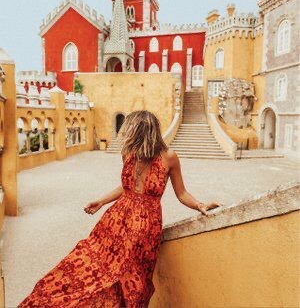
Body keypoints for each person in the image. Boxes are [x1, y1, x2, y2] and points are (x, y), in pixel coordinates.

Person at [18, 110, 223, 307]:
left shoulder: (169, 157)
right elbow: (127, 187)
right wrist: (100, 201)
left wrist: (200, 205)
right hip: (117, 220)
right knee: (102, 270)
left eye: (130, 131)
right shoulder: (128, 153)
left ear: (142, 132)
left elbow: (182, 193)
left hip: (144, 229)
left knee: (133, 277)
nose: (126, 135)